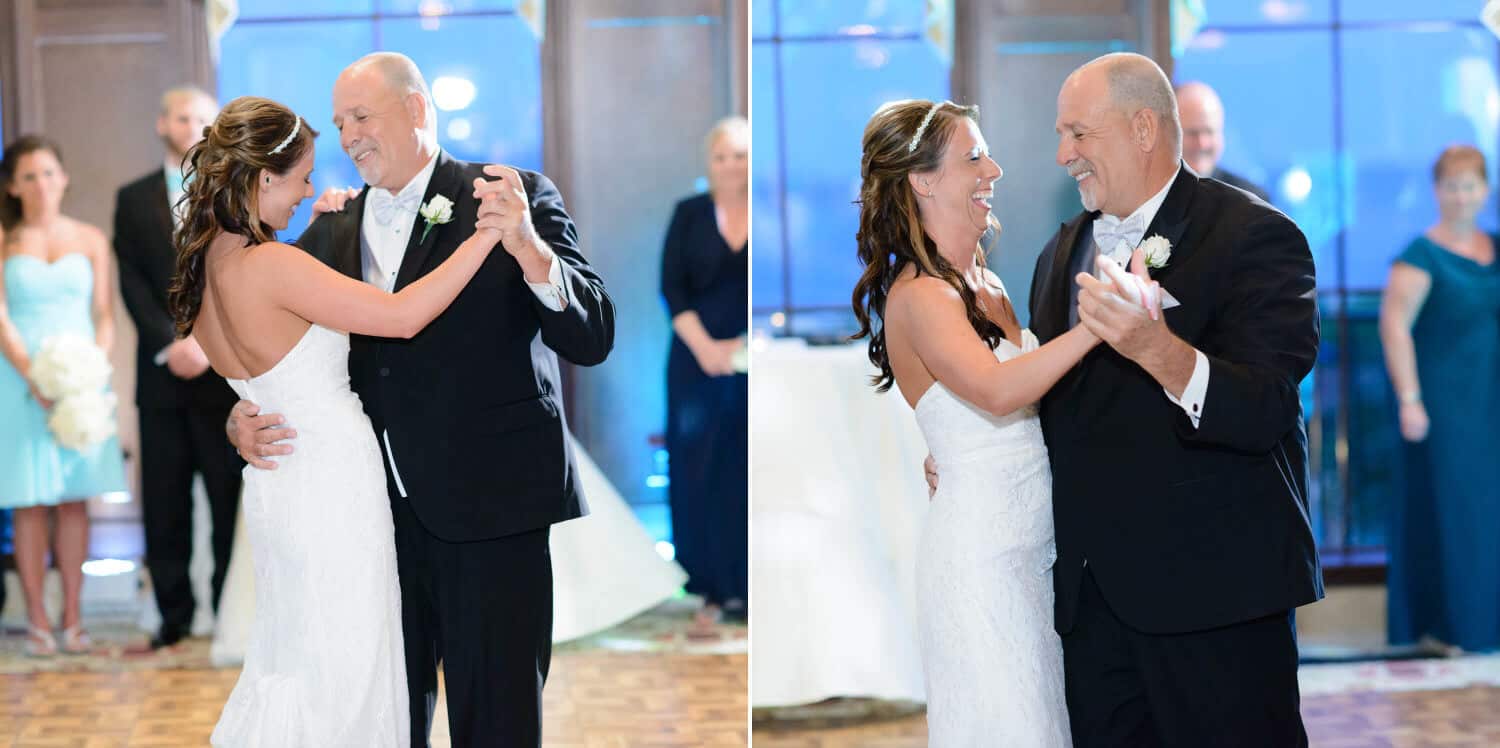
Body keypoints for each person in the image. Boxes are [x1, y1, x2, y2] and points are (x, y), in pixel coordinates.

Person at [225, 53, 615, 747]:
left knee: (497, 721)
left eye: (361, 117)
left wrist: (528, 249)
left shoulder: (510, 196)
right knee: (383, 717)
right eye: (340, 123)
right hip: (368, 522)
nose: (348, 138)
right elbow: (278, 349)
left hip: (494, 510)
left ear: (416, 109)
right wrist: (240, 415)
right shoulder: (330, 230)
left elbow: (591, 335)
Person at [171, 94, 513, 744]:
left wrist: (233, 422)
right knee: (347, 661)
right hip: (330, 485)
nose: (309, 191)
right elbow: (405, 315)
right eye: (300, 176)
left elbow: (255, 381)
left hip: (278, 483)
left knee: (296, 653)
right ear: (262, 176)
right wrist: (485, 237)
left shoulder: (202, 275)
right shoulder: (270, 265)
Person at [1031, 53, 1321, 745]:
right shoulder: (1058, 251)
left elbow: (1267, 406)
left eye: (1078, 133)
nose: (1063, 154)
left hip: (1217, 598)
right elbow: (1064, 409)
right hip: (1093, 608)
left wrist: (1155, 348)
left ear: (1140, 128)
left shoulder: (1256, 236)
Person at [851, 99, 1108, 745]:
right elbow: (996, 392)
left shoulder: (986, 285)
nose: (993, 168)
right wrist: (1102, 325)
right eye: (973, 157)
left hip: (1035, 559)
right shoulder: (920, 295)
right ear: (921, 179)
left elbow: (1030, 407)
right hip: (979, 566)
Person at [114, 85, 244, 650]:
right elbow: (133, 282)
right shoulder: (133, 196)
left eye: (202, 118)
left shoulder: (232, 194)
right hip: (161, 374)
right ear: (163, 123)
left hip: (222, 373)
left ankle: (226, 612)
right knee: (164, 502)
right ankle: (172, 616)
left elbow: (238, 276)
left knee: (226, 497)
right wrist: (172, 343)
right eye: (182, 116)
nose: (191, 125)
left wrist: (206, 343)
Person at [0, 135, 127, 656]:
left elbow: (103, 312)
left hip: (80, 382)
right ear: (13, 186)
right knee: (30, 503)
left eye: (49, 172)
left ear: (64, 177)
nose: (41, 184)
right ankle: (35, 619)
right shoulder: (5, 240)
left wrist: (93, 366)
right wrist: (32, 374)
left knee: (75, 500)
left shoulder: (91, 238)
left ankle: (73, 617)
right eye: (29, 175)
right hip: (20, 379)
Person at [1380, 144, 1500, 652]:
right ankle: (1458, 627)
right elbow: (1394, 327)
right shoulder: (1419, 255)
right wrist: (1410, 399)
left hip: (1491, 400)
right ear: (1436, 192)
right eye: (1451, 185)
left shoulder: (1495, 245)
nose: (1460, 195)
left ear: (1485, 190)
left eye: (1469, 185)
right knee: (1460, 514)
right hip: (1448, 408)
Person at [661, 115, 749, 625]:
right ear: (709, 162)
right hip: (693, 363)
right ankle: (709, 587)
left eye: (740, 155)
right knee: (697, 469)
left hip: (747, 365)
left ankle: (743, 585)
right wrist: (707, 349)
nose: (730, 165)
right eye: (722, 155)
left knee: (740, 469)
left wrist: (738, 348)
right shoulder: (688, 214)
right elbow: (672, 288)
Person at [1174, 81, 1271, 202]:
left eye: (1209, 132)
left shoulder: (1252, 202)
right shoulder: (1148, 198)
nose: (1202, 143)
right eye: (1192, 133)